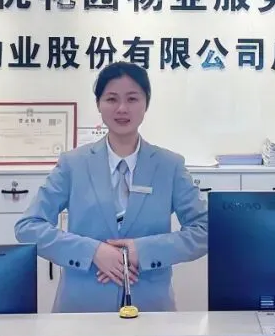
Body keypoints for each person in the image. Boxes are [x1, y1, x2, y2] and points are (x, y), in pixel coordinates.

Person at [14, 62, 208, 313]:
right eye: (111, 99)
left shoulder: (169, 165)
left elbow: (205, 230)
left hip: (150, 308)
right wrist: (92, 252)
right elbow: (28, 227)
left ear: (146, 103)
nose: (122, 108)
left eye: (132, 98)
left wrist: (144, 251)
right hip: (82, 309)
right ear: (98, 104)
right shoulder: (73, 164)